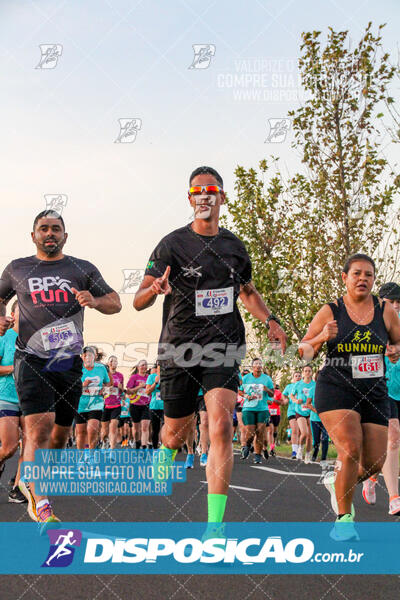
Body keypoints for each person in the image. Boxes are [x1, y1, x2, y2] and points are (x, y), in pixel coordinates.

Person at [134, 166, 287, 533]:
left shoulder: (234, 247)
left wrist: (270, 320)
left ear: (222, 197)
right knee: (176, 430)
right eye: (197, 191)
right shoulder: (171, 244)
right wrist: (154, 291)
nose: (204, 195)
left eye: (211, 190)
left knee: (219, 426)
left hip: (224, 344)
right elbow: (138, 300)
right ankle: (166, 449)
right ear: (190, 199)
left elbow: (246, 292)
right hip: (179, 346)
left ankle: (214, 528)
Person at [0, 210, 121, 523]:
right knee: (40, 426)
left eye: (56, 229)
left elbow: (115, 301)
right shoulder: (17, 268)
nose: (49, 233)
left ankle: (33, 481)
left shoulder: (81, 268)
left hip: (67, 362)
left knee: (59, 435)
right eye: (44, 229)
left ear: (65, 236)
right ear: (33, 235)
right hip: (30, 358)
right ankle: (40, 503)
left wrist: (94, 301)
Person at [299, 253, 400, 539]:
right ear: (345, 278)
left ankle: (336, 481)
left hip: (374, 391)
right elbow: (304, 351)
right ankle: (344, 521)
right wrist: (321, 338)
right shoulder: (331, 311)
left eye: (368, 275)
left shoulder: (384, 311)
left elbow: (398, 340)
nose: (362, 279)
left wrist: (395, 349)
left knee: (374, 463)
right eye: (356, 273)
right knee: (351, 448)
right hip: (336, 387)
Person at [362, 282, 400, 515]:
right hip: (381, 388)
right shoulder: (371, 324)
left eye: (399, 302)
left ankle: (372, 475)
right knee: (393, 437)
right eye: (392, 302)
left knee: (392, 443)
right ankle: (395, 498)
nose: (396, 306)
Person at [0, 300, 26, 503]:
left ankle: (17, 489)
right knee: (9, 447)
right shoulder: (4, 337)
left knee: (29, 445)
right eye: (22, 309)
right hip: (6, 396)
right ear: (13, 314)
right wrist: (14, 368)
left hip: (30, 398)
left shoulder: (36, 339)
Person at [75, 346, 111, 450]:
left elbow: (108, 383)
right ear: (82, 357)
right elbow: (71, 386)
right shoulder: (77, 368)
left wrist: (104, 390)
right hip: (80, 403)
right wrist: (83, 385)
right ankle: (81, 458)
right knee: (81, 432)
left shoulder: (101, 368)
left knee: (92, 429)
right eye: (85, 355)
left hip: (96, 402)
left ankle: (90, 455)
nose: (87, 357)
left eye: (89, 355)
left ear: (94, 357)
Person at [240, 358, 274, 464]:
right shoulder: (246, 378)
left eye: (260, 363)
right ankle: (247, 445)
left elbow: (272, 394)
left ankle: (258, 455)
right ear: (252, 366)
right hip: (248, 408)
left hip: (262, 408)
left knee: (260, 431)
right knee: (250, 432)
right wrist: (246, 396)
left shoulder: (267, 379)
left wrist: (266, 389)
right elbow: (240, 391)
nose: (258, 365)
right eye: (256, 364)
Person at [291, 365, 314, 463]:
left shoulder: (315, 384)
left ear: (312, 372)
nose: (307, 372)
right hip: (300, 411)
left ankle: (308, 455)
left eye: (309, 371)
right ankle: (300, 449)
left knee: (310, 435)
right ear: (303, 373)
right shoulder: (298, 384)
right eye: (306, 371)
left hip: (311, 411)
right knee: (304, 433)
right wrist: (296, 401)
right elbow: (291, 395)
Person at [127, 360, 151, 449]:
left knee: (145, 427)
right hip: (135, 405)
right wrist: (139, 387)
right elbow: (128, 391)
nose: (144, 366)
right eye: (142, 365)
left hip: (146, 405)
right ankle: (137, 443)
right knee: (136, 429)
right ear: (138, 367)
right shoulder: (134, 377)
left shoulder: (149, 378)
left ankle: (144, 447)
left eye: (146, 365)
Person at [306, 371, 329, 463]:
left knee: (325, 438)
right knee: (316, 440)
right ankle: (314, 455)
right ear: (317, 378)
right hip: (315, 419)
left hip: (326, 419)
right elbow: (308, 404)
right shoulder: (312, 389)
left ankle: (324, 458)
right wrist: (317, 411)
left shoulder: (329, 389)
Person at [101, 356, 123, 449]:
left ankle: (112, 450)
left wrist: (120, 387)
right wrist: (107, 388)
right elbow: (100, 390)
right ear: (108, 363)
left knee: (113, 427)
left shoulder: (120, 375)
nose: (113, 362)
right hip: (105, 404)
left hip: (116, 404)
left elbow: (121, 391)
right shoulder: (103, 375)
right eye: (111, 361)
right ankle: (104, 442)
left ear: (117, 364)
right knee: (105, 431)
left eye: (115, 361)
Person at [282, 371, 301, 459]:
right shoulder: (289, 387)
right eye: (296, 376)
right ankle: (294, 451)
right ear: (293, 378)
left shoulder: (304, 386)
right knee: (294, 430)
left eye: (299, 376)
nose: (298, 377)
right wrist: (285, 400)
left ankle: (300, 449)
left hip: (302, 411)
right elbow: (283, 395)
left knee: (301, 432)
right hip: (292, 411)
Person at [145, 363, 164, 450]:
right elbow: (148, 392)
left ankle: (165, 449)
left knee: (166, 428)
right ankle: (155, 448)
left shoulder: (168, 375)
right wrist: (155, 382)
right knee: (155, 429)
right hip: (154, 406)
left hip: (166, 406)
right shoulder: (152, 377)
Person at [267, 384, 283, 456]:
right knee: (270, 430)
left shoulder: (278, 392)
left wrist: (274, 400)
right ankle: (271, 448)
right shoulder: (266, 392)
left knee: (275, 432)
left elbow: (281, 402)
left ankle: (273, 445)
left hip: (276, 413)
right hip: (268, 412)